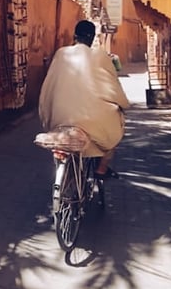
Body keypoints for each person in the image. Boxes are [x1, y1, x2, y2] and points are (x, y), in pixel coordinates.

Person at [38, 19, 131, 178]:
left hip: (60, 120)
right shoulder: (100, 55)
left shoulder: (61, 53)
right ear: (93, 38)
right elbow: (112, 85)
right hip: (93, 122)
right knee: (117, 124)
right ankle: (101, 169)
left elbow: (49, 86)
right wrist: (122, 104)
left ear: (75, 36)